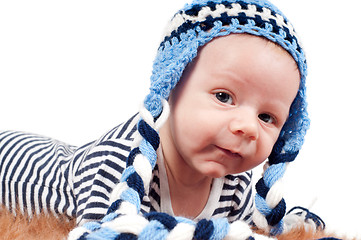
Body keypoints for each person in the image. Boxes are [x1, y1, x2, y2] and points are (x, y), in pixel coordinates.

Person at [0, 0, 315, 238]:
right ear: (171, 87)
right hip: (12, 156)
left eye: (266, 116)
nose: (247, 127)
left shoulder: (234, 183)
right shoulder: (117, 162)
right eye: (223, 97)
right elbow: (107, 231)